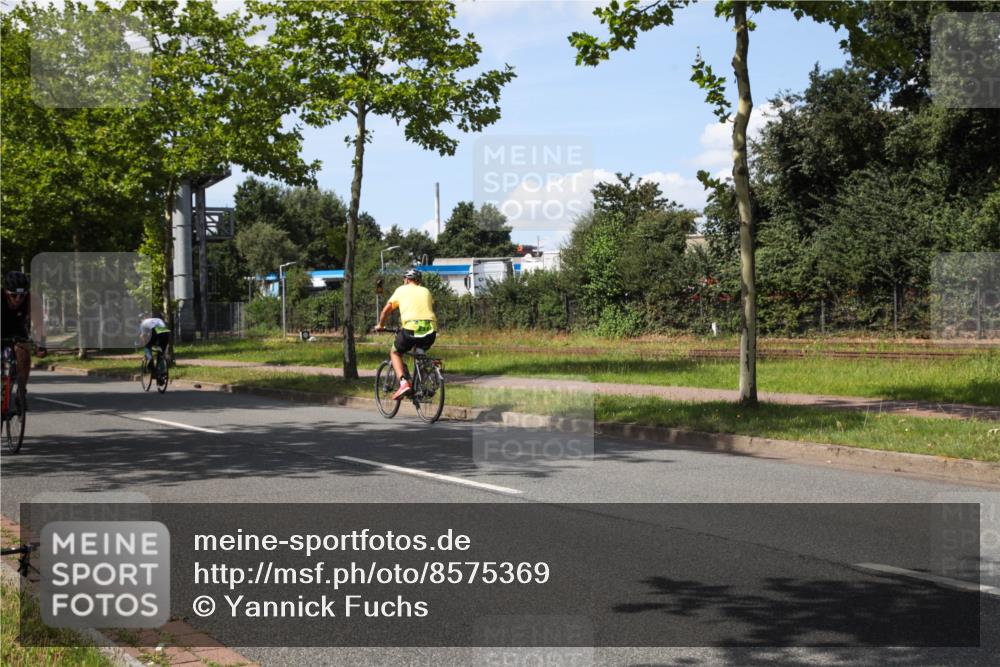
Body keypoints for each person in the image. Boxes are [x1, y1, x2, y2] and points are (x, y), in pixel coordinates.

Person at [375, 268, 437, 400]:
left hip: (410, 328)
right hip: (430, 330)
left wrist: (380, 325)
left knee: (395, 352)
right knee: (420, 355)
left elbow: (386, 311)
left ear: (407, 279)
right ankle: (422, 386)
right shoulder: (426, 291)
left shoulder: (401, 290)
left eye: (404, 279)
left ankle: (403, 383)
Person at [1, 271, 46, 392]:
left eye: (22, 295)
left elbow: (39, 324)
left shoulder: (33, 299)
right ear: (5, 292)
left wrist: (40, 345)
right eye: (14, 295)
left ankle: (21, 390)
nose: (18, 299)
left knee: (24, 354)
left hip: (17, 329)